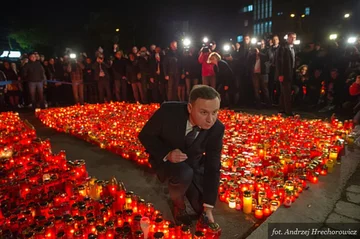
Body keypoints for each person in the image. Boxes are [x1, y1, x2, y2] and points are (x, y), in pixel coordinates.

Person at [138, 85, 225, 226]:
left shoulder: (216, 128)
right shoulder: (169, 112)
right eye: (204, 112)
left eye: (215, 112)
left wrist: (208, 207)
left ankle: (191, 188)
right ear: (190, 108)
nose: (210, 119)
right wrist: (167, 153)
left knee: (200, 208)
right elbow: (145, 135)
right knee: (183, 173)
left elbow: (213, 166)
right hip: (168, 162)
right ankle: (179, 205)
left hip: (194, 164)